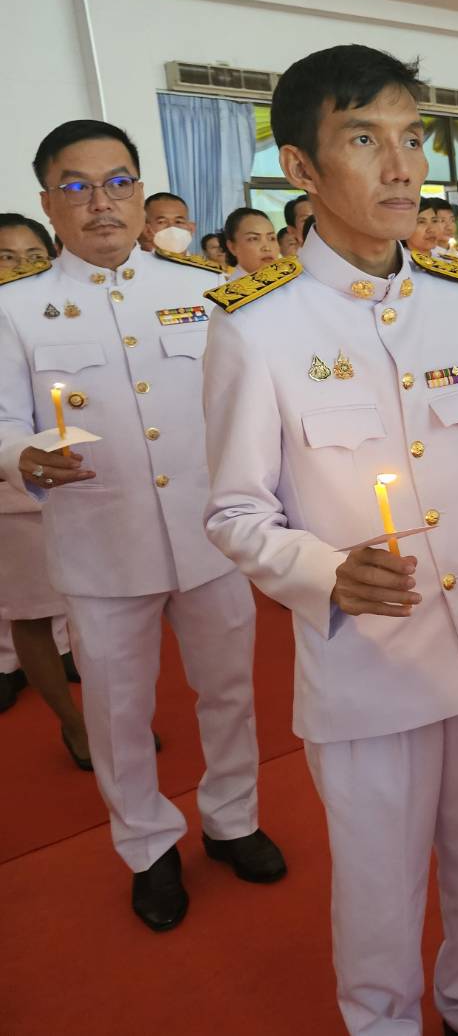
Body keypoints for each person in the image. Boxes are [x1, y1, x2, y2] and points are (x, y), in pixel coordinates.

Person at [201, 45, 458, 1036]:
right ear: (302, 170)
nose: (402, 167)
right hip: (366, 666)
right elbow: (233, 511)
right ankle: (384, 1021)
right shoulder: (256, 327)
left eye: (410, 139)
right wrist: (323, 569)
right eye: (364, 139)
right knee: (378, 886)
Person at [0, 119, 281, 933]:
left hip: (209, 534)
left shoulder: (201, 291)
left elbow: (246, 411)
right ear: (50, 201)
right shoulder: (16, 309)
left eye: (119, 182)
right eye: (78, 187)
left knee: (228, 690)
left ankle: (232, 818)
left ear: (141, 192)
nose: (102, 203)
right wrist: (22, 456)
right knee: (121, 711)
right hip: (99, 539)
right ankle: (148, 846)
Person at [0, 214, 87, 759]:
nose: (22, 269)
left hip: (80, 486)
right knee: (32, 613)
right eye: (6, 257)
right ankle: (73, 723)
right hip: (11, 500)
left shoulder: (63, 318)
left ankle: (111, 714)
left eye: (33, 256)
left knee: (99, 612)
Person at [222, 207, 280, 279]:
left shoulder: (292, 285)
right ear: (232, 247)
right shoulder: (231, 289)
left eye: (272, 238)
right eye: (254, 239)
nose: (267, 248)